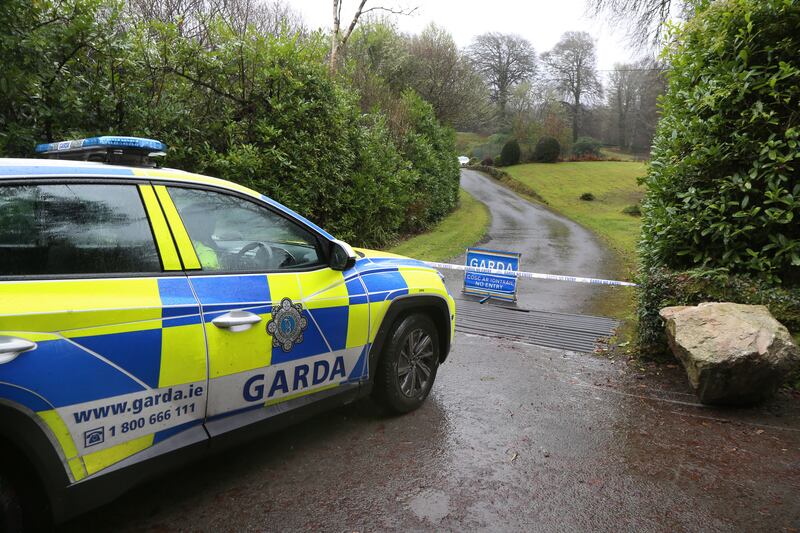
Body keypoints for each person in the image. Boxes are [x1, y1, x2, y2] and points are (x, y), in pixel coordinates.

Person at [181, 204, 221, 270]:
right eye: (210, 218)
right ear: (199, 224)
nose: (215, 220)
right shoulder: (206, 253)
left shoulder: (185, 242)